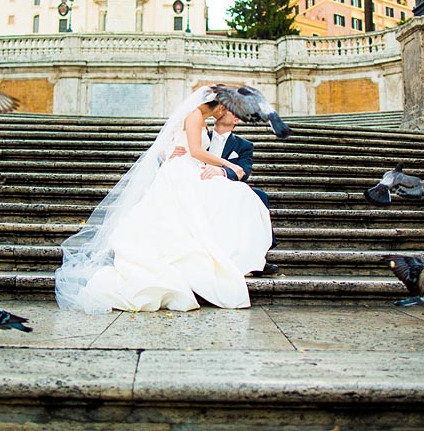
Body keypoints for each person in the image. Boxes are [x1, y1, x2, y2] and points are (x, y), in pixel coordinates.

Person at [54, 86, 274, 313]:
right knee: (193, 210)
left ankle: (233, 250)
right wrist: (227, 164)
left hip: (187, 169)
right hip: (182, 171)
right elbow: (196, 151)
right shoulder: (195, 115)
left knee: (217, 203)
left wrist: (172, 151)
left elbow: (180, 142)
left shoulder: (204, 122)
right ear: (217, 105)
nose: (227, 113)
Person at [174, 105, 279, 276]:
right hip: (195, 179)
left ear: (236, 120)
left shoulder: (244, 145)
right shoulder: (199, 131)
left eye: (229, 110)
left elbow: (243, 172)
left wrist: (221, 171)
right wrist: (168, 153)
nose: (223, 110)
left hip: (221, 181)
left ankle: (257, 256)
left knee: (258, 196)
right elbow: (178, 148)